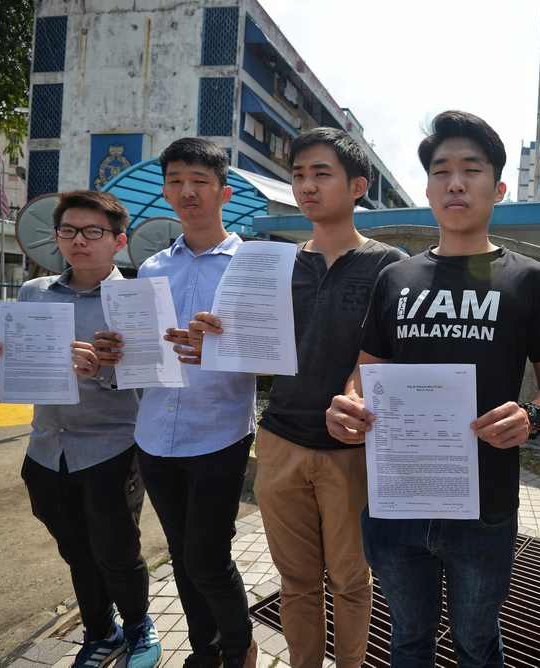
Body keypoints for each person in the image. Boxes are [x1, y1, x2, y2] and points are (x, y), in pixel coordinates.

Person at [325, 110, 540, 667]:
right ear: (429, 187)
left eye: (471, 169)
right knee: (408, 641)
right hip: (395, 503)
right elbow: (365, 369)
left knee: (476, 642)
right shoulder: (397, 278)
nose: (455, 182)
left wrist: (532, 417)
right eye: (441, 171)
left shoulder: (529, 280)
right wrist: (348, 405)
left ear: (499, 186)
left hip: (484, 505)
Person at [178, 128, 406, 668]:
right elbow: (256, 355)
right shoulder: (269, 263)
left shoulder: (391, 266)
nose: (306, 185)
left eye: (320, 174)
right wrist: (214, 342)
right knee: (297, 580)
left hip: (352, 450)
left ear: (357, 186)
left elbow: (392, 355)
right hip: (280, 441)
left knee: (351, 579)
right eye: (298, 175)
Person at [94, 138, 256, 668]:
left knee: (207, 558)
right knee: (184, 559)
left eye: (200, 181)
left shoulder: (251, 267)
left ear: (223, 191)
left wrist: (223, 342)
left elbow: (275, 352)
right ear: (165, 191)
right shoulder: (153, 266)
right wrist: (116, 350)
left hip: (221, 432)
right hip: (156, 433)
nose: (187, 191)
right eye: (176, 181)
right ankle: (204, 650)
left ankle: (238, 647)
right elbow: (137, 350)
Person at [0, 191, 161, 668]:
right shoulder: (34, 293)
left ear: (118, 241)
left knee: (116, 550)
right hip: (46, 449)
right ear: (57, 237)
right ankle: (101, 631)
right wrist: (1, 366)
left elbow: (151, 374)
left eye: (93, 232)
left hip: (110, 448)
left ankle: (141, 627)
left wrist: (99, 370)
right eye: (69, 231)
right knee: (76, 549)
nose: (79, 241)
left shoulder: (135, 299)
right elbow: (28, 368)